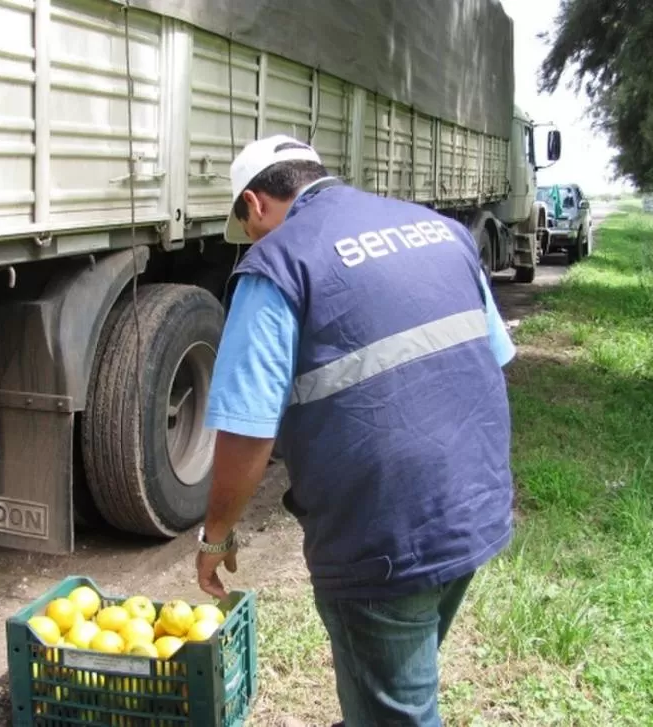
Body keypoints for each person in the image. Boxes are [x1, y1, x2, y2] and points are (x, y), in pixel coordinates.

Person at [194, 135, 517, 727]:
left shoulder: (276, 264)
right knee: (394, 682)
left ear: (254, 203)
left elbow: (246, 432)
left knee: (398, 709)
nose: (255, 239)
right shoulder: (438, 228)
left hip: (386, 539)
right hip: (478, 502)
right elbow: (492, 356)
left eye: (248, 225)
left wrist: (216, 536)